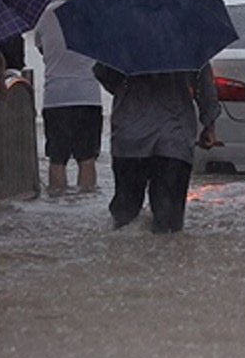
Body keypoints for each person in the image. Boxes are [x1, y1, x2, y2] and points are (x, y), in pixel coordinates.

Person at [93, 62, 220, 234]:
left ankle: (122, 259)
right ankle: (167, 259)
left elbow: (104, 74)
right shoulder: (188, 42)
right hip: (174, 141)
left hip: (130, 138)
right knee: (168, 226)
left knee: (125, 218)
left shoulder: (123, 40)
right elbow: (205, 89)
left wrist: (129, 86)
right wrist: (209, 125)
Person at [33, 0, 104, 195]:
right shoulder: (93, 13)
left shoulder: (46, 16)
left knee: (57, 158)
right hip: (87, 96)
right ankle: (85, 200)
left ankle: (57, 202)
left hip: (56, 97)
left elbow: (42, 48)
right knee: (87, 158)